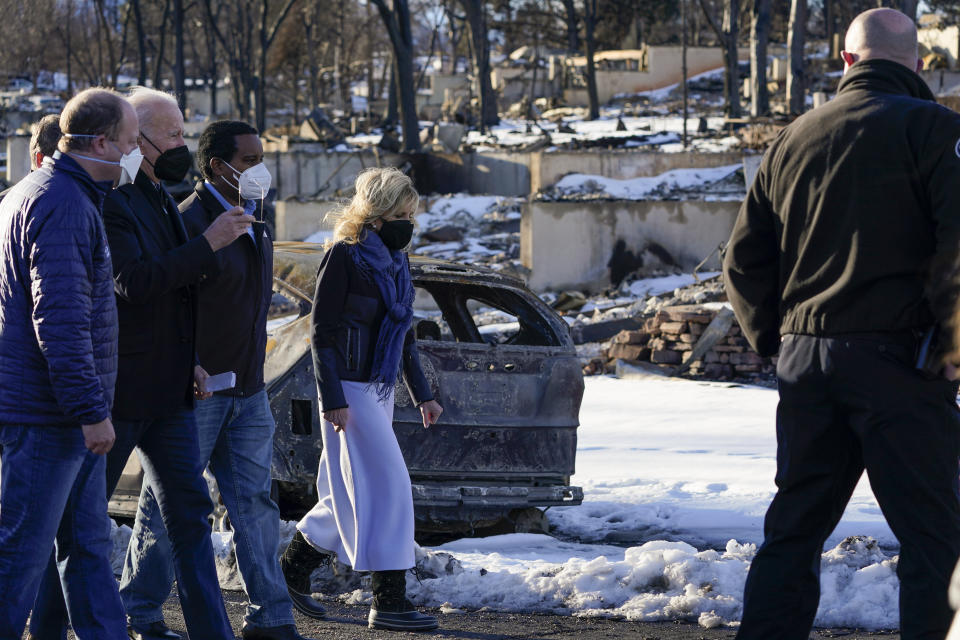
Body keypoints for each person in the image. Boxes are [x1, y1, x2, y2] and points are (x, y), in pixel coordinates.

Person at [722, 8, 960, 640]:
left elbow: (742, 260)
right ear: (915, 63)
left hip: (807, 363)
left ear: (847, 61)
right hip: (902, 362)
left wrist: (777, 342)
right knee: (934, 537)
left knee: (794, 529)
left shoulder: (794, 137)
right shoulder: (936, 131)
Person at [28, 87, 254, 640]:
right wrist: (209, 243)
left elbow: (177, 296)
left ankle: (212, 633)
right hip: (119, 392)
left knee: (191, 518)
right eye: (172, 135)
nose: (183, 143)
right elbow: (134, 283)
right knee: (82, 528)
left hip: (172, 391)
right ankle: (49, 629)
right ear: (138, 140)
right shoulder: (110, 200)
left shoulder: (157, 191)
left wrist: (195, 359)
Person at [117, 120, 319, 640]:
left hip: (248, 390)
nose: (259, 170)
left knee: (254, 503)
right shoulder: (188, 221)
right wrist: (192, 367)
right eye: (249, 160)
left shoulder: (255, 219)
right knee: (169, 509)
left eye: (260, 158)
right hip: (197, 390)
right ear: (218, 167)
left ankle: (271, 617)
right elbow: (165, 299)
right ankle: (138, 610)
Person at [279, 167, 443, 632]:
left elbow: (403, 332)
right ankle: (388, 600)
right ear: (374, 215)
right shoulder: (345, 257)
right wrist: (332, 397)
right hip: (347, 387)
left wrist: (423, 394)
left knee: (345, 491)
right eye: (400, 214)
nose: (408, 224)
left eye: (411, 215)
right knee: (389, 487)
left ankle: (289, 571)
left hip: (379, 387)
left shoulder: (396, 260)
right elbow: (321, 333)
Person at [0, 87, 134, 639]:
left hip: (56, 414)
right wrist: (90, 409)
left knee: (88, 547)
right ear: (100, 141)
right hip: (49, 416)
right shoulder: (64, 204)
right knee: (21, 558)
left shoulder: (38, 192)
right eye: (129, 143)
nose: (134, 155)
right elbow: (58, 320)